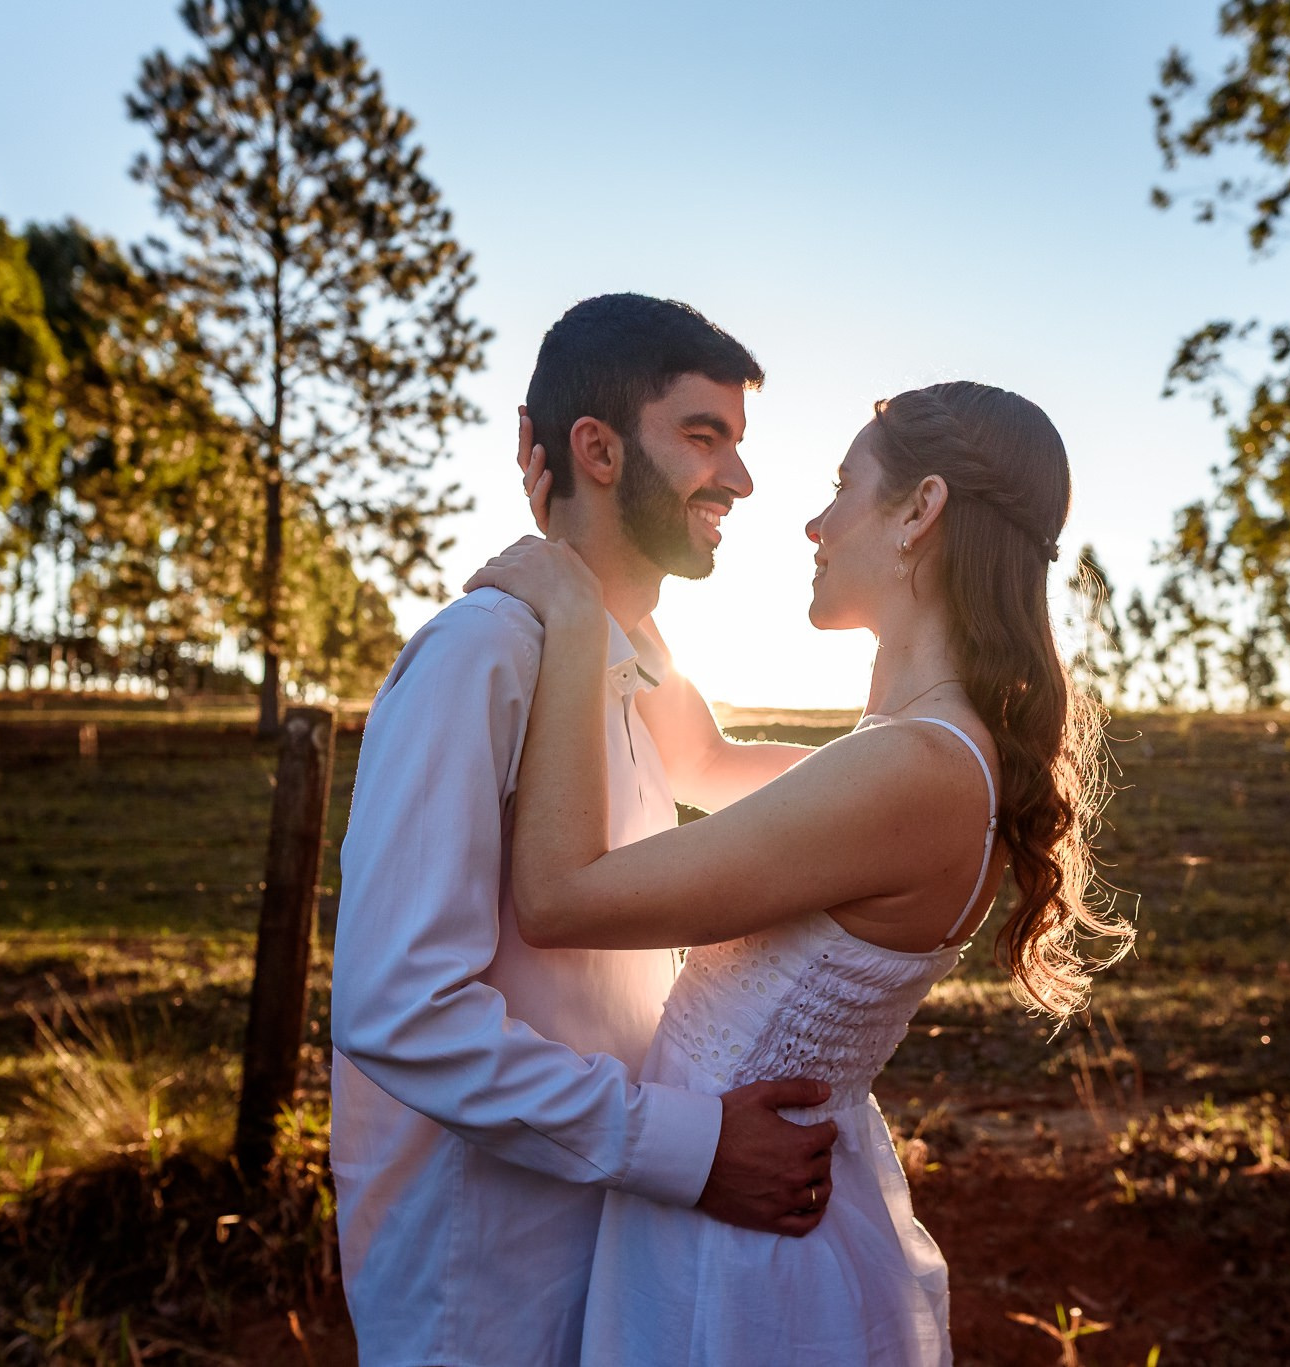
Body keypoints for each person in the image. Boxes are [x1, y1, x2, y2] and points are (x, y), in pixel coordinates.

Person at [467, 379, 1130, 1366]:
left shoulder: (914, 771)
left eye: (840, 488)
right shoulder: (920, 754)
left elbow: (562, 896)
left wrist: (567, 616)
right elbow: (699, 757)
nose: (813, 523)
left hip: (735, 1262)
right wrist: (594, 544)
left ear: (921, 509)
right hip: (731, 1206)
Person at [330, 294, 843, 1367]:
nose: (739, 482)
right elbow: (401, 1009)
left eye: (736, 444)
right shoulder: (483, 653)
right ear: (597, 449)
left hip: (614, 1250)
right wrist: (690, 1146)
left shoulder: (627, 659)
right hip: (485, 1285)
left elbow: (718, 766)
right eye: (704, 437)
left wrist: (950, 765)